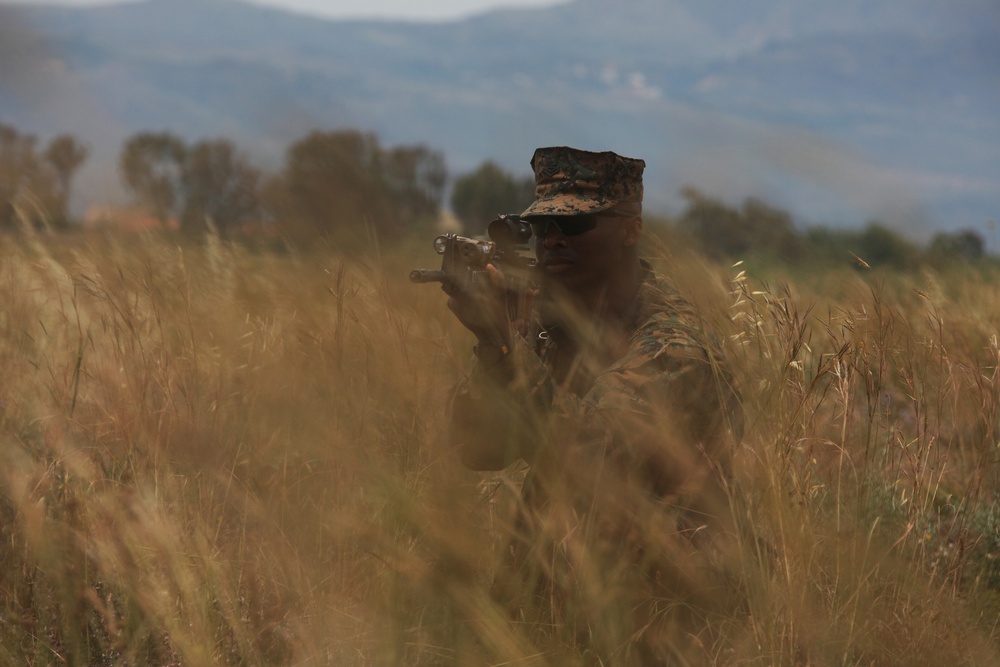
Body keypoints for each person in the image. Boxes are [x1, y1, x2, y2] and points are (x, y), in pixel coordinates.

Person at [445, 146, 743, 663]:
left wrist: (503, 345)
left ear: (630, 229)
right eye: (543, 228)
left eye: (577, 226)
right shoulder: (553, 326)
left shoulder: (676, 345)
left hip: (659, 626)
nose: (554, 240)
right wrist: (499, 344)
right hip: (555, 620)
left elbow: (589, 455)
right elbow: (478, 447)